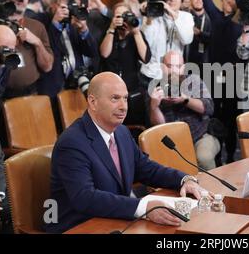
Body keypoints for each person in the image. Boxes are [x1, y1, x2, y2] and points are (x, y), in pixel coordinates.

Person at [46, 72, 203, 234]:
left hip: (114, 221)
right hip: (78, 226)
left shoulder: (121, 132)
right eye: (115, 98)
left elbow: (146, 168)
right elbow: (85, 198)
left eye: (125, 98)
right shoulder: (72, 142)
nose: (124, 107)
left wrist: (184, 179)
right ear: (92, 102)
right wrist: (144, 208)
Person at [149, 51, 220, 170]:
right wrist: (154, 107)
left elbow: (209, 108)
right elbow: (158, 126)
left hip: (200, 136)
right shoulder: (155, 87)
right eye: (169, 66)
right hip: (171, 143)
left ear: (184, 68)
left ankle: (213, 187)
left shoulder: (194, 81)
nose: (174, 71)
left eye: (178, 66)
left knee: (204, 157)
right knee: (160, 165)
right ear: (162, 67)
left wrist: (186, 99)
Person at [201, 0, 242, 163]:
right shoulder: (216, 18)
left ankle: (232, 158)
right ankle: (216, 161)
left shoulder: (239, 19)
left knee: (232, 118)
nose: (229, 0)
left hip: (235, 76)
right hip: (214, 74)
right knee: (215, 118)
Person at [37, 0, 98, 100]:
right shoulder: (42, 21)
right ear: (54, 5)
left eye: (71, 5)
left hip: (77, 86)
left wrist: (84, 30)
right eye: (65, 6)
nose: (69, 10)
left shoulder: (74, 20)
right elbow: (47, 49)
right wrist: (55, 24)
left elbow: (92, 52)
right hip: (53, 88)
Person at [100, 3, 151, 125]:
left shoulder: (136, 35)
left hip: (131, 91)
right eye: (119, 16)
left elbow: (146, 58)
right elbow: (104, 54)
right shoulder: (109, 32)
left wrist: (136, 32)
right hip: (110, 91)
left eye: (125, 16)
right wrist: (112, 29)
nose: (122, 20)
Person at [139, 0, 194, 87]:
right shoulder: (155, 14)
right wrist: (149, 18)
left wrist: (170, 11)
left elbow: (186, 39)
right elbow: (147, 43)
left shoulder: (186, 17)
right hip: (152, 73)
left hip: (174, 74)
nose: (172, 0)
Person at [185, 0, 212, 72]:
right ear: (190, 0)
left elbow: (214, 39)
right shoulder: (184, 17)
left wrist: (200, 33)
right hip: (185, 64)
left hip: (204, 65)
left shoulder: (211, 18)